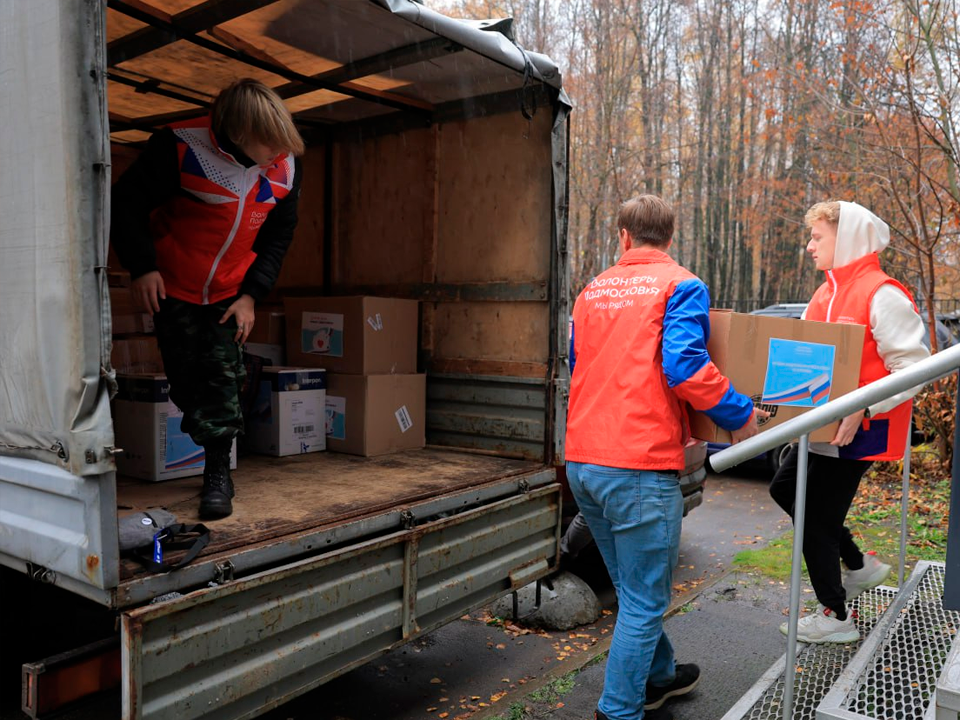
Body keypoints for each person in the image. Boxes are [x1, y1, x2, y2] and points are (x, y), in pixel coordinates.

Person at [566, 195, 765, 720]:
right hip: (637, 465)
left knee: (633, 589)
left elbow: (577, 365)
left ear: (623, 237)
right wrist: (739, 412)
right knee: (643, 599)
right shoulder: (681, 283)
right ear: (669, 238)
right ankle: (618, 711)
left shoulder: (591, 292)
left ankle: (657, 676)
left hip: (584, 462)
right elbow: (684, 367)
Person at [111, 78, 305, 519]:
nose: (278, 156)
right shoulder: (179, 147)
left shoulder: (287, 165)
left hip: (229, 294)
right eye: (269, 146)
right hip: (173, 286)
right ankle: (205, 440)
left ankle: (218, 474)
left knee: (222, 378)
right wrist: (142, 266)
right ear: (238, 135)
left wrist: (252, 295)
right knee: (185, 381)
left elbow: (279, 236)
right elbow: (125, 202)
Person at [771, 201, 929, 643]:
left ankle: (836, 617)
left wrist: (866, 405)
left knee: (816, 519)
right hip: (822, 429)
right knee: (786, 490)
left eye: (817, 237)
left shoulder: (883, 293)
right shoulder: (823, 294)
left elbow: (915, 367)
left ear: (848, 238)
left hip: (859, 432)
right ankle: (859, 565)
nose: (809, 246)